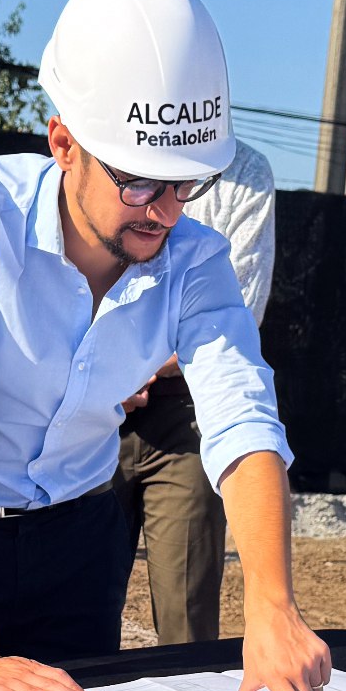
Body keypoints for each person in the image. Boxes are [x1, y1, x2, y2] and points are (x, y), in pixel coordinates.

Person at [0, 0, 329, 691]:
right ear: (64, 143)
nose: (167, 213)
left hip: (77, 546)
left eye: (188, 184)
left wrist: (272, 606)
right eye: (141, 183)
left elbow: (241, 415)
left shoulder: (196, 258)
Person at [114, 134, 276, 644]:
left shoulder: (247, 170)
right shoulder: (104, 143)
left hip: (186, 408)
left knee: (186, 622)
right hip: (88, 405)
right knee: (73, 614)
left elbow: (239, 309)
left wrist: (137, 368)